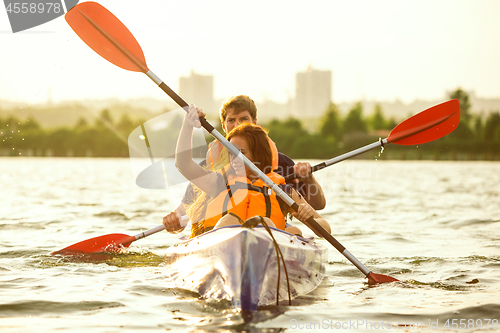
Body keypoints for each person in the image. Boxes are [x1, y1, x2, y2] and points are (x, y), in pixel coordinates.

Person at [163, 95, 326, 233]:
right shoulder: (218, 180)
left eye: (243, 119)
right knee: (231, 220)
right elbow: (183, 166)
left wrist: (308, 183)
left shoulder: (282, 180)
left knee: (288, 230)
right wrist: (187, 125)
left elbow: (318, 210)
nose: (238, 125)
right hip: (223, 231)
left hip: (268, 232)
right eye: (231, 120)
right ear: (224, 125)